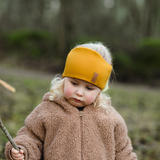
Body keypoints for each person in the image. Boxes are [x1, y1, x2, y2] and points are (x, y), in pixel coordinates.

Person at [5, 42, 137, 160]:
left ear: (99, 91)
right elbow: (31, 137)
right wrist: (23, 150)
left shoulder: (111, 119)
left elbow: (123, 153)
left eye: (89, 88)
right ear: (64, 79)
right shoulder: (47, 110)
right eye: (74, 83)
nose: (79, 92)